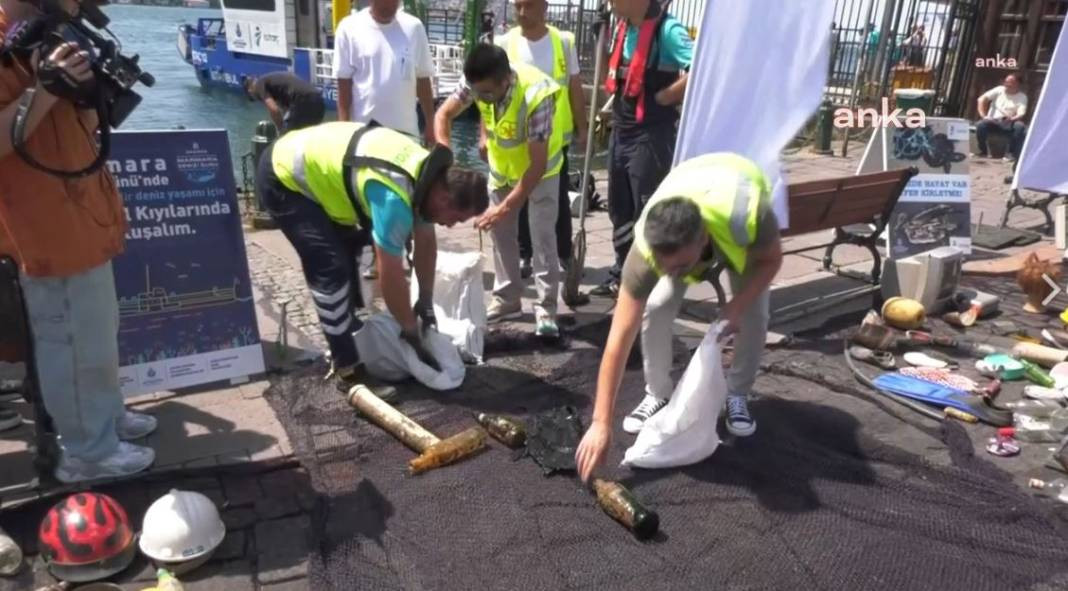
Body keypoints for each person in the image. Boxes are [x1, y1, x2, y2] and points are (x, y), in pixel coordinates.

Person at [0, 0, 157, 482]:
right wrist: (44, 90)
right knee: (67, 340)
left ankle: (107, 419)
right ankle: (87, 450)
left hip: (85, 214)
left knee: (96, 332)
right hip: (45, 227)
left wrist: (93, 88)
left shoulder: (52, 30)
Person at [574, 153, 784, 482]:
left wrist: (736, 305)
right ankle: (657, 392)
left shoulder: (747, 215)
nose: (672, 272)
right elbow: (618, 340)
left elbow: (772, 261)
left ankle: (737, 394)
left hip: (734, 205)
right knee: (657, 306)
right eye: (665, 266)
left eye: (681, 266)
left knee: (755, 314)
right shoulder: (645, 252)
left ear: (703, 240)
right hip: (690, 187)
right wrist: (601, 422)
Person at [256, 121, 489, 394]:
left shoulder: (428, 179)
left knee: (351, 251)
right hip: (285, 179)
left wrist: (425, 302)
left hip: (327, 176)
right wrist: (410, 331)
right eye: (456, 219)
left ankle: (351, 330)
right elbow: (390, 274)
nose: (450, 226)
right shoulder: (394, 201)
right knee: (331, 268)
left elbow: (426, 244)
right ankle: (347, 368)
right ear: (444, 200)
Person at [434, 44, 565, 337]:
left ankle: (546, 307)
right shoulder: (476, 83)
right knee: (501, 235)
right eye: (476, 92)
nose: (479, 98)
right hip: (502, 168)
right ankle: (508, 299)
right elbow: (443, 115)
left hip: (542, 172)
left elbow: (537, 166)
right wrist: (444, 159)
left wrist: (503, 208)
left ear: (505, 79)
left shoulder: (537, 95)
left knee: (542, 237)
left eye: (486, 93)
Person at [590, 0, 693, 298]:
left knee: (647, 210)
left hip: (651, 136)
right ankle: (621, 273)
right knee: (619, 208)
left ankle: (651, 280)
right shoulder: (622, 28)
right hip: (622, 131)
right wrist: (600, 41)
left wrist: (667, 96)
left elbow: (703, 68)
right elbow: (609, 77)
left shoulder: (668, 31)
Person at [332, 0, 435, 280]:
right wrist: (342, 128)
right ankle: (377, 257)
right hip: (365, 134)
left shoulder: (414, 27)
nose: (389, 6)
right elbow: (343, 83)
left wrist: (430, 123)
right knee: (371, 200)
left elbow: (423, 79)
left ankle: (409, 253)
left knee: (410, 198)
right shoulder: (349, 28)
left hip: (406, 133)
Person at [498, 0, 588, 280]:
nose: (523, 13)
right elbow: (491, 96)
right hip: (518, 137)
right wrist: (484, 133)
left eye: (529, 6)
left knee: (557, 197)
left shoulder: (563, 42)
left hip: (555, 138)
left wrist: (583, 127)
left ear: (544, 6)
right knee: (522, 194)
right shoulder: (505, 43)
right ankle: (525, 253)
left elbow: (574, 87)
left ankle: (562, 253)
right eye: (518, 6)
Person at [242, 72, 326, 134]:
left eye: (254, 98)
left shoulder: (258, 85)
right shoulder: (275, 83)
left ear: (250, 90)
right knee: (309, 136)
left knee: (288, 138)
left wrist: (280, 130)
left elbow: (274, 110)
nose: (259, 100)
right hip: (318, 100)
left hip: (302, 100)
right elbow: (285, 110)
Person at [974, 74, 1028, 162]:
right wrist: (984, 116)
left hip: (1009, 121)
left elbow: (1021, 113)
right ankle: (983, 151)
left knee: (1020, 126)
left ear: (1017, 84)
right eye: (1006, 81)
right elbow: (981, 99)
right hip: (993, 120)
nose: (1007, 84)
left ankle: (1010, 153)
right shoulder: (999, 90)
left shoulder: (1022, 97)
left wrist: (1012, 118)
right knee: (981, 125)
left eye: (1010, 82)